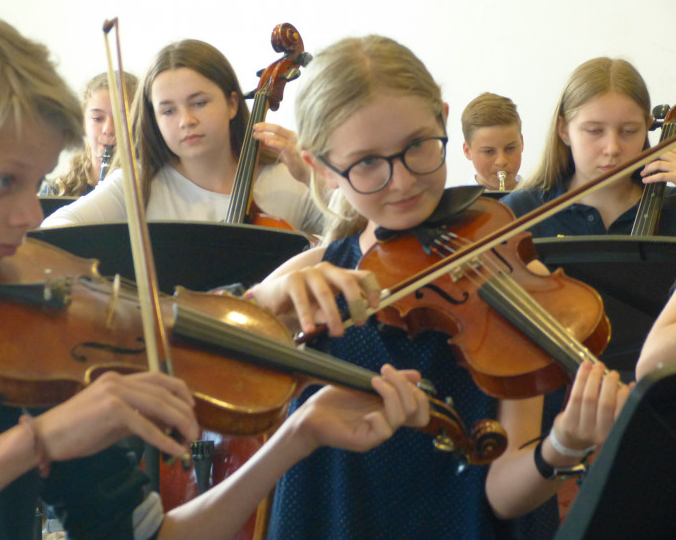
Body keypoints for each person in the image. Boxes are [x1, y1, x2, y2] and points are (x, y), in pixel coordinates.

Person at [0, 14, 435, 539]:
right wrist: (35, 443)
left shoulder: (24, 336)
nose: (30, 215)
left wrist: (297, 434)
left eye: (35, 182)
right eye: (4, 180)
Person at [244, 35, 631, 539]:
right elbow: (194, 363)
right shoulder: (307, 281)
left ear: (443, 121)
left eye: (418, 147)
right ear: (321, 166)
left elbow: (502, 497)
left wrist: (565, 444)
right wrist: (263, 305)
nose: (402, 181)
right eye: (366, 163)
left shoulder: (516, 285)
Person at [41, 39, 323, 234]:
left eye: (199, 103)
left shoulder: (288, 180)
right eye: (168, 110)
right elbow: (57, 228)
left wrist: (315, 179)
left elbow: (357, 238)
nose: (186, 121)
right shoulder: (140, 184)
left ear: (233, 104)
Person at [501, 57, 676, 238]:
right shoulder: (518, 214)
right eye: (594, 131)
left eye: (628, 131)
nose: (612, 148)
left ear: (646, 127)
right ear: (564, 130)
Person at [40, 72, 139, 197]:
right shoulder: (56, 192)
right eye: (97, 118)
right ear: (84, 123)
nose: (108, 129)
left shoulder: (152, 189)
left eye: (121, 118)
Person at [461, 92, 524, 191]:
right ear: (467, 151)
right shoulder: (458, 205)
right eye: (488, 151)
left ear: (522, 143)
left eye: (510, 148)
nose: (501, 161)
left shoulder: (542, 200)